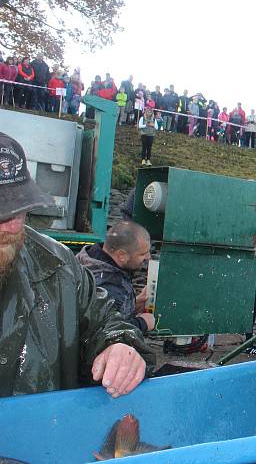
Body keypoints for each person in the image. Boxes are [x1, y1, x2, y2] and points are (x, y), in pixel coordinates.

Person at [0, 132, 149, 397]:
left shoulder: (57, 264)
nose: (14, 225)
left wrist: (119, 345)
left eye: (20, 207)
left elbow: (104, 319)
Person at [76, 222, 155, 335]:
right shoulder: (108, 286)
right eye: (143, 254)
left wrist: (133, 304)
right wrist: (143, 323)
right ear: (121, 255)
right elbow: (106, 334)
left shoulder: (89, 258)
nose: (148, 257)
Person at [138, 99, 156, 165]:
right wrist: (145, 125)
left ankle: (148, 160)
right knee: (144, 147)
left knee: (149, 148)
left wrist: (153, 125)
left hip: (151, 135)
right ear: (146, 112)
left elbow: (157, 127)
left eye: (150, 112)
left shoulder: (154, 119)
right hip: (144, 134)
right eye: (148, 112)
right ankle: (143, 160)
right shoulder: (142, 118)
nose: (149, 113)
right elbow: (139, 126)